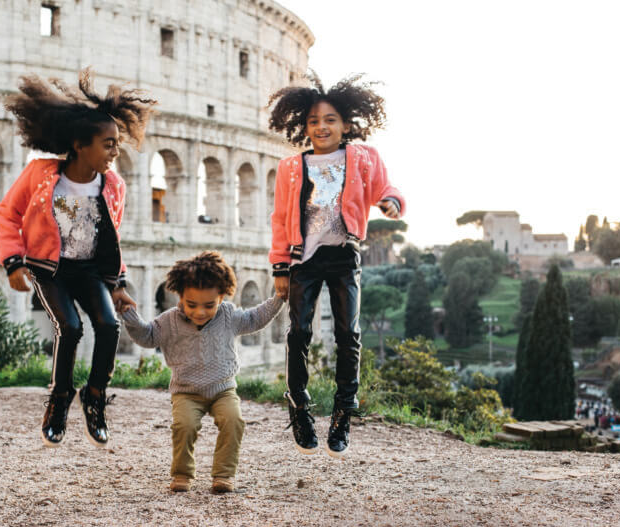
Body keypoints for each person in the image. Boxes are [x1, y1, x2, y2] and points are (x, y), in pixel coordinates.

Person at [0, 69, 156, 448]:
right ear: (80, 144)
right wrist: (14, 262)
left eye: (117, 143)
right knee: (71, 327)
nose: (116, 152)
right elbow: (6, 214)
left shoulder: (113, 185)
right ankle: (59, 398)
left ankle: (95, 396)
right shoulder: (40, 174)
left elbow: (110, 240)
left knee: (109, 325)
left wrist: (117, 285)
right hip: (50, 269)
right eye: (108, 144)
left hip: (90, 272)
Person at [266, 72, 406, 457]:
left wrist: (391, 202)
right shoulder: (291, 167)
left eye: (330, 120)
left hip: (344, 254)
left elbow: (385, 188)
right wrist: (279, 267)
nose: (322, 127)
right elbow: (280, 219)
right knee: (299, 333)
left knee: (349, 335)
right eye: (313, 121)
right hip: (303, 259)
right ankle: (299, 406)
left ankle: (344, 411)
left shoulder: (362, 157)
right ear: (303, 126)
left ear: (346, 124)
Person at [121, 251, 284, 493]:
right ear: (180, 297)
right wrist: (129, 315)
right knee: (183, 426)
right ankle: (182, 475)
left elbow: (255, 319)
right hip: (186, 392)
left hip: (223, 389)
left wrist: (278, 299)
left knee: (234, 421)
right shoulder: (169, 321)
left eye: (209, 305)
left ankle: (223, 475)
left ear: (221, 296)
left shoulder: (229, 315)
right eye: (191, 305)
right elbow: (147, 336)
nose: (199, 312)